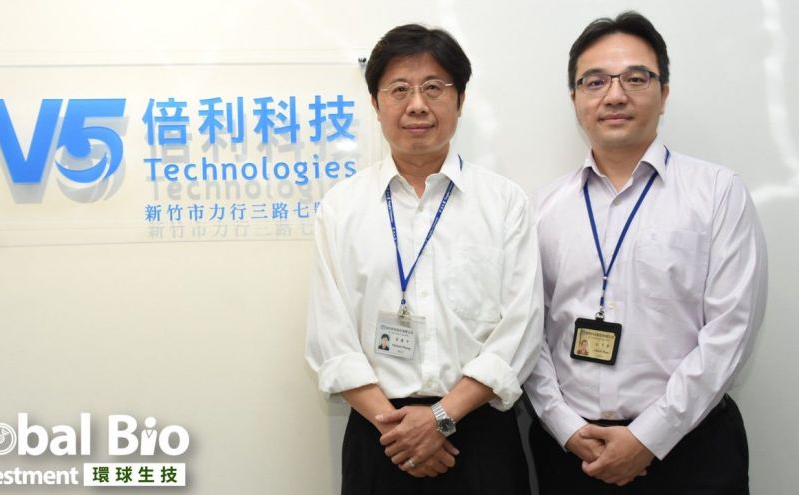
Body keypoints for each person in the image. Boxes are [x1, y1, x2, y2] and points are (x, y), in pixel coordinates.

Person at [524, 11, 768, 494]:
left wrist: (649, 437)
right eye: (595, 82)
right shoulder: (540, 208)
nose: (615, 95)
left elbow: (732, 331)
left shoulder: (717, 193)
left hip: (692, 451)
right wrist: (564, 426)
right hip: (572, 453)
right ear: (575, 99)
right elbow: (527, 330)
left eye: (635, 79)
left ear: (664, 94)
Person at [305, 23, 542, 495]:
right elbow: (331, 340)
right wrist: (401, 431)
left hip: (479, 432)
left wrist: (440, 418)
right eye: (399, 90)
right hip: (381, 434)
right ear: (376, 104)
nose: (417, 104)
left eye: (433, 87)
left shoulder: (504, 203)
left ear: (461, 100)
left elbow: (521, 328)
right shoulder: (341, 208)